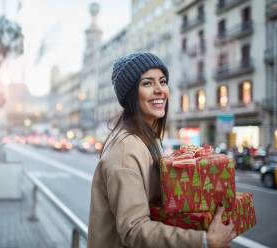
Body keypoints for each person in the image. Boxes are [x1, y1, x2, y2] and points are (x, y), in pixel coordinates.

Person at [88, 52, 236, 248]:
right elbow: (133, 230)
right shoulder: (125, 151)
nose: (160, 90)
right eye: (147, 83)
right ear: (131, 94)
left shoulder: (149, 139)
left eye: (163, 81)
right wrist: (205, 241)